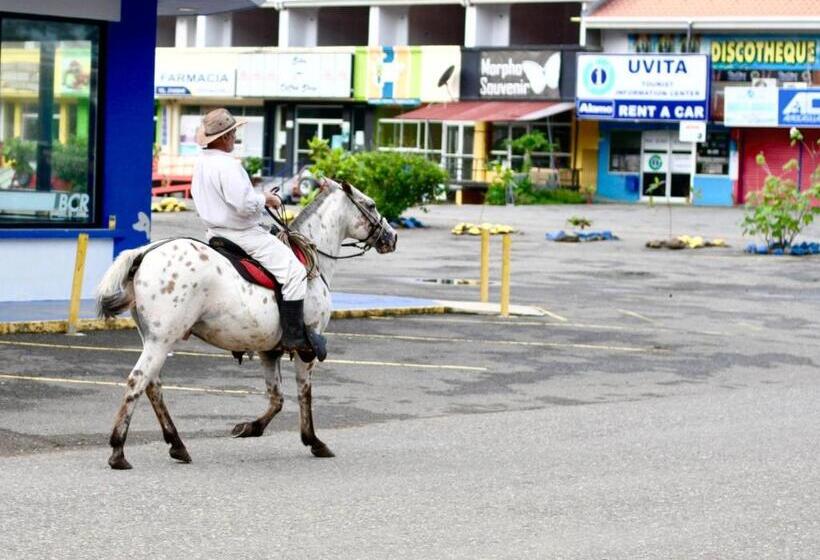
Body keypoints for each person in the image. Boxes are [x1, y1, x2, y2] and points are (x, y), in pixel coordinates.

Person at [191, 108, 325, 358]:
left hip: (214, 234)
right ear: (223, 137)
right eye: (233, 133)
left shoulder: (201, 162)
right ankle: (294, 337)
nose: (235, 137)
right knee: (295, 272)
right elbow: (243, 204)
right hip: (242, 234)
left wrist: (258, 198)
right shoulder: (228, 165)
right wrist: (266, 199)